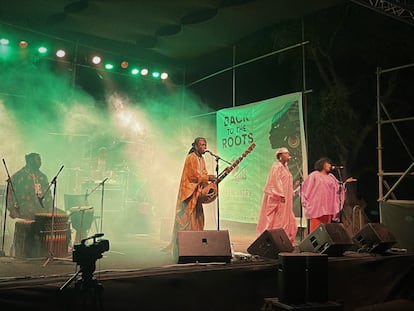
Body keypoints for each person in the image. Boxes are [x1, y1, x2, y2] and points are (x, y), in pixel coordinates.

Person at [164, 137, 216, 256]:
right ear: (196, 146)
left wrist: (208, 184)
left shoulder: (201, 159)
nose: (204, 147)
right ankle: (183, 246)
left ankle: (195, 245)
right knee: (185, 220)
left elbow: (203, 174)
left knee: (198, 219)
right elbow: (193, 176)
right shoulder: (191, 157)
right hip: (188, 194)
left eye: (205, 145)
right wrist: (208, 178)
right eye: (202, 145)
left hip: (196, 193)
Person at [301, 157, 357, 233]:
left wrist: (345, 183)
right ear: (322, 164)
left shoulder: (331, 177)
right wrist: (305, 201)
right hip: (316, 206)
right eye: (328, 163)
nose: (330, 165)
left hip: (327, 206)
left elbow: (338, 188)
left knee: (326, 228)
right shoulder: (314, 175)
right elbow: (306, 187)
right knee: (316, 228)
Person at [256, 147, 298, 244]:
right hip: (278, 197)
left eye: (288, 153)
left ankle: (284, 239)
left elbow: (285, 181)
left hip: (286, 198)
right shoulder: (276, 166)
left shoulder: (285, 167)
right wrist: (281, 194)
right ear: (280, 156)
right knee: (277, 218)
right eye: (286, 154)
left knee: (287, 217)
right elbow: (275, 181)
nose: (288, 155)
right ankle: (275, 239)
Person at [6, 152, 53, 220]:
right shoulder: (18, 176)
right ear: (30, 161)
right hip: (24, 211)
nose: (40, 162)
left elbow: (48, 194)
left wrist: (50, 207)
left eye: (40, 160)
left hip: (41, 211)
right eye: (38, 160)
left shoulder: (42, 177)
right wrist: (12, 209)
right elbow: (10, 194)